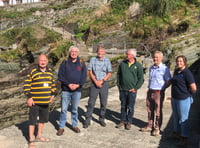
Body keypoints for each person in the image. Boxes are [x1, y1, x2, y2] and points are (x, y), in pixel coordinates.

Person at [23, 54, 56, 148]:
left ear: (47, 61)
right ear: (38, 61)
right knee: (32, 121)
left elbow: (53, 85)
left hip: (46, 102)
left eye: (44, 60)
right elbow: (26, 85)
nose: (42, 62)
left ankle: (39, 136)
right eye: (41, 60)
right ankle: (31, 140)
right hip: (34, 102)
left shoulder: (50, 72)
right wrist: (29, 97)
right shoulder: (33, 71)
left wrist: (53, 95)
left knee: (42, 120)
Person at [56, 46, 87, 135]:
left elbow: (84, 76)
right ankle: (61, 127)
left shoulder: (81, 63)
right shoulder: (65, 62)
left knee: (74, 109)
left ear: (78, 53)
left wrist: (78, 85)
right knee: (63, 109)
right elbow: (60, 76)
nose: (74, 53)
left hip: (77, 91)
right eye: (72, 51)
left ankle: (74, 125)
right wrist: (68, 84)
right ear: (69, 53)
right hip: (66, 90)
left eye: (75, 52)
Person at [140, 51, 171, 136]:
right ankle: (150, 126)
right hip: (150, 91)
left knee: (158, 111)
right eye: (154, 57)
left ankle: (157, 128)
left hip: (158, 92)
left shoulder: (164, 69)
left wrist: (162, 89)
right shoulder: (151, 68)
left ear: (161, 58)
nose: (155, 59)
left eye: (157, 57)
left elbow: (169, 81)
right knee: (149, 110)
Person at [168, 55, 196, 146]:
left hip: (183, 99)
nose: (179, 63)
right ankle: (176, 133)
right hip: (175, 98)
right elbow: (172, 81)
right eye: (177, 61)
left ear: (185, 62)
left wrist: (188, 94)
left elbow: (193, 88)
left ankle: (184, 138)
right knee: (175, 117)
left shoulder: (187, 73)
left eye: (181, 61)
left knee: (184, 119)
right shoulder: (176, 71)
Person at [83, 46, 112, 128]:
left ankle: (101, 118)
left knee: (103, 102)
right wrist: (95, 81)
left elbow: (109, 72)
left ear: (104, 52)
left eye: (102, 51)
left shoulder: (107, 60)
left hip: (104, 83)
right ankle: (88, 119)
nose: (100, 53)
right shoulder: (93, 59)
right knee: (91, 102)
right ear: (97, 52)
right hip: (94, 83)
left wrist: (102, 81)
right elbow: (90, 71)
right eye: (99, 51)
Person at [116, 48, 144, 130]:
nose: (126, 55)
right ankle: (122, 120)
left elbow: (141, 79)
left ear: (132, 56)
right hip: (123, 89)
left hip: (132, 91)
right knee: (123, 106)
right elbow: (118, 76)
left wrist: (135, 88)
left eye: (127, 54)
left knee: (130, 107)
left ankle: (129, 121)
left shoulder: (138, 66)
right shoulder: (122, 64)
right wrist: (119, 86)